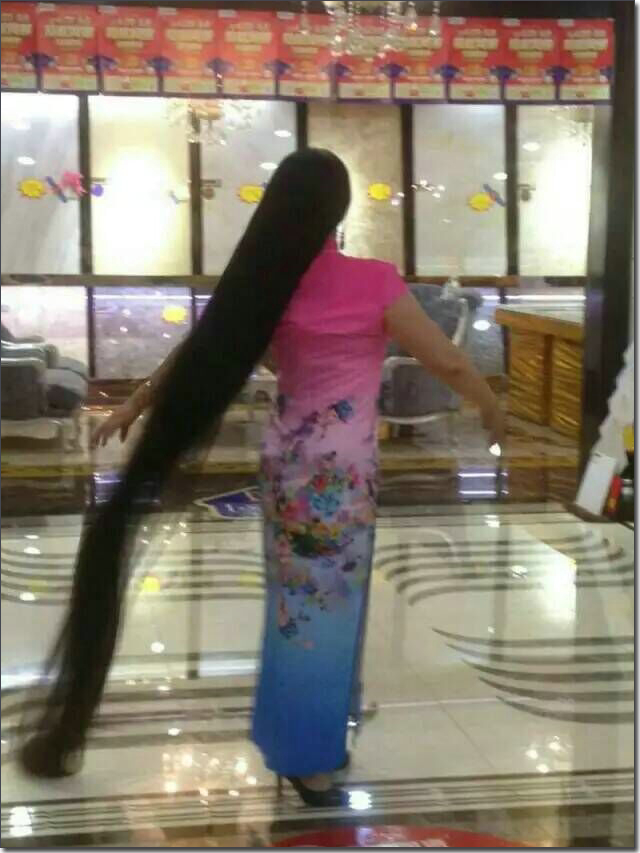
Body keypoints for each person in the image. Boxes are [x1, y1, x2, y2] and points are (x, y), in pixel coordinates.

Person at [19, 149, 505, 806]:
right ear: (339, 209)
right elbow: (448, 361)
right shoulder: (373, 281)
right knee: (328, 611)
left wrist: (135, 402)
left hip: (287, 473)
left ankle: (308, 730)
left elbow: (199, 351)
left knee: (296, 609)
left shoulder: (271, 284)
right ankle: (310, 759)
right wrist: (492, 403)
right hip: (343, 480)